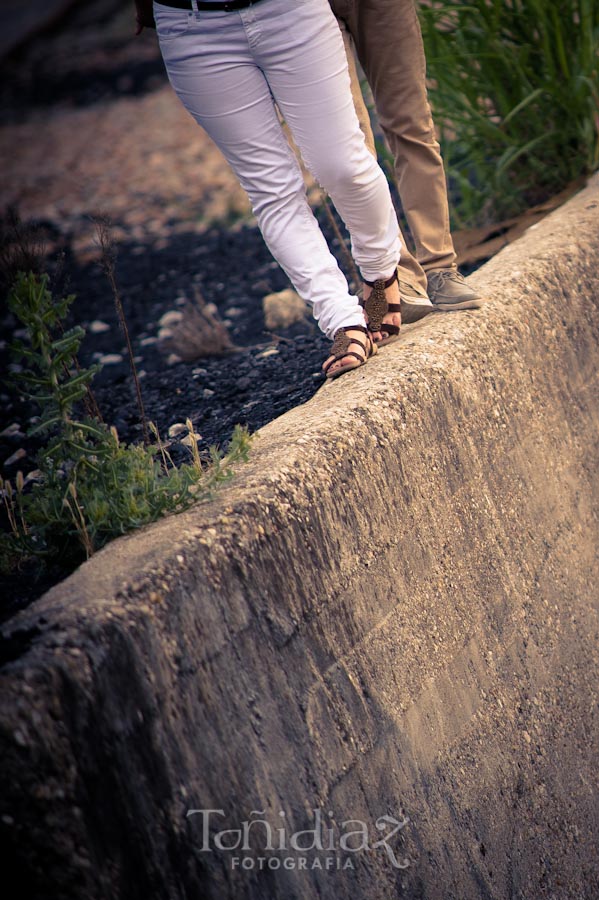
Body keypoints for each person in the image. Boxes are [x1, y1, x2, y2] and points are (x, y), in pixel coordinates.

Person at [133, 0, 406, 378]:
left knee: (343, 165)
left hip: (289, 10)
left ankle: (380, 274)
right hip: (192, 26)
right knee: (271, 190)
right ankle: (344, 322)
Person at [329, 0, 483, 318]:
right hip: (306, 10)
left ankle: (439, 268)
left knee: (411, 122)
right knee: (351, 141)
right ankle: (399, 275)